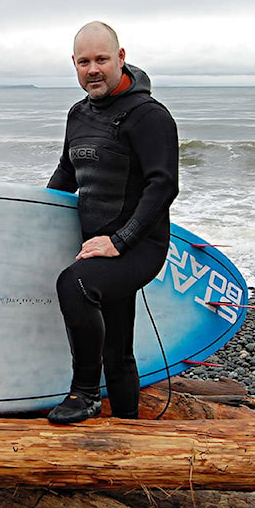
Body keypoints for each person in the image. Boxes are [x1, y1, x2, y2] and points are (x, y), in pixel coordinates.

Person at [46, 21, 179, 424]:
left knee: (77, 284)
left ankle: (84, 394)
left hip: (139, 246)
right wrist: (27, 212)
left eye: (102, 59)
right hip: (97, 244)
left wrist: (119, 241)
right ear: (74, 64)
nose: (93, 70)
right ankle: (127, 428)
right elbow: (66, 175)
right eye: (84, 62)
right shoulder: (78, 115)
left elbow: (163, 186)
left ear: (120, 58)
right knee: (118, 346)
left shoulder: (149, 116)